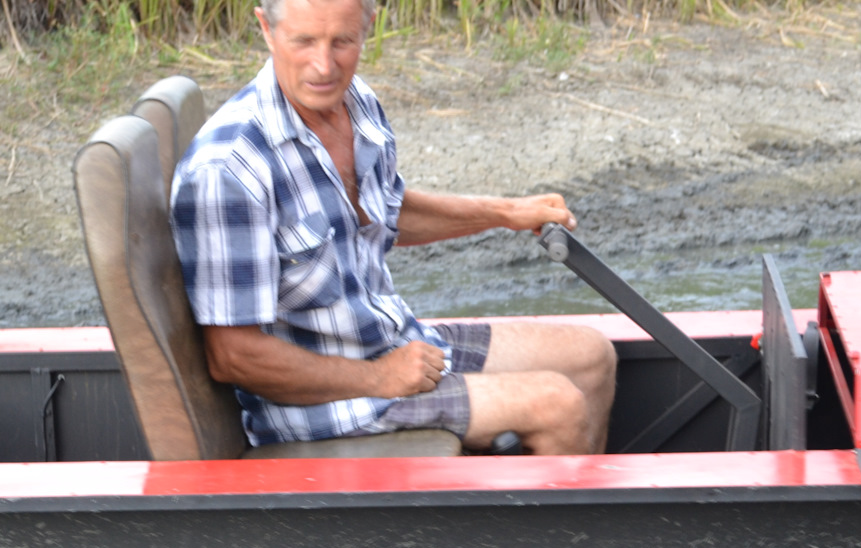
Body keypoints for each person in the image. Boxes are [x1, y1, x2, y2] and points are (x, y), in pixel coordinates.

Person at [170, 0, 616, 455]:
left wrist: (503, 212)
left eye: (342, 41)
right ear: (267, 29)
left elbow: (386, 212)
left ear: (368, 29)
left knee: (590, 357)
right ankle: (564, 529)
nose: (324, 65)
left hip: (391, 342)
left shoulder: (357, 103)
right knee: (557, 405)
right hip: (316, 406)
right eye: (303, 41)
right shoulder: (227, 170)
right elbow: (233, 356)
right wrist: (379, 378)